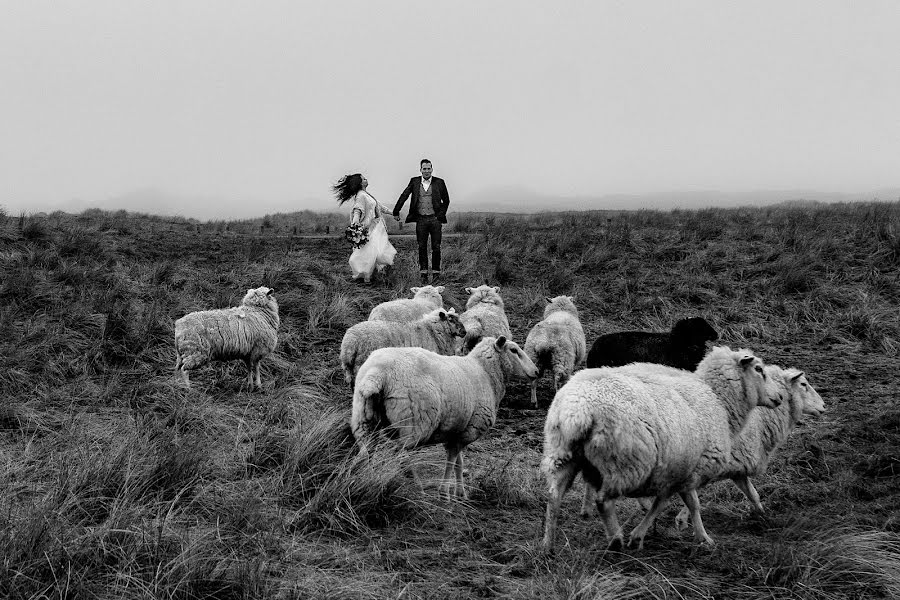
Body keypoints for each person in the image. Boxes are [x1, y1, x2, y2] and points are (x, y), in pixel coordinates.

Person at [393, 158, 450, 284]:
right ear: (420, 170)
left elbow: (446, 200)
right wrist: (396, 211)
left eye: (429, 168)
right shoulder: (414, 181)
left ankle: (436, 273)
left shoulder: (439, 182)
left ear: (432, 169)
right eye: (424, 169)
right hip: (421, 220)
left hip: (435, 220)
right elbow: (404, 195)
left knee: (436, 247)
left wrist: (439, 215)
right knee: (422, 246)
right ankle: (423, 273)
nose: (427, 171)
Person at [333, 173, 397, 283]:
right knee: (368, 252)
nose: (366, 179)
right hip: (369, 228)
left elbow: (379, 207)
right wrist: (355, 224)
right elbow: (358, 209)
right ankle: (366, 277)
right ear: (360, 183)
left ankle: (371, 276)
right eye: (364, 179)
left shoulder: (366, 194)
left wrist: (394, 213)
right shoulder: (361, 196)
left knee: (375, 252)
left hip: (377, 227)